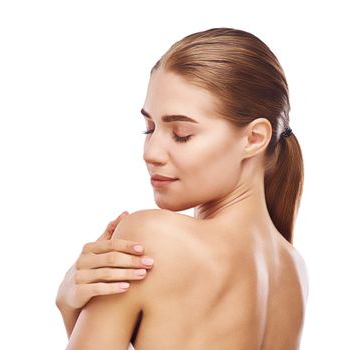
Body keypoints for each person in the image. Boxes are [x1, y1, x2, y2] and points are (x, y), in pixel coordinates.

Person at [56, 27, 309, 350]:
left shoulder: (153, 238)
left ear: (254, 138)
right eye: (149, 128)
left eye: (181, 134)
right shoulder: (293, 269)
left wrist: (68, 302)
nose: (151, 153)